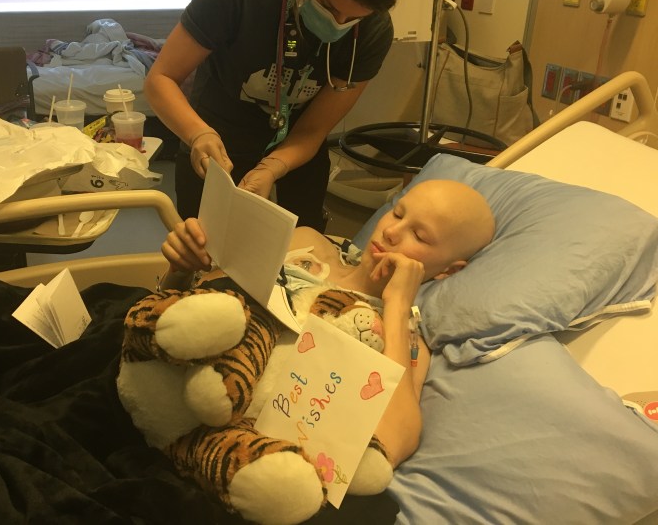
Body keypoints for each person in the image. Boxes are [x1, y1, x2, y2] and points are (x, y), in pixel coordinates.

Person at [159, 179, 496, 469]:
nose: (391, 232)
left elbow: (392, 444)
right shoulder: (305, 243)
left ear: (449, 270)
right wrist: (182, 268)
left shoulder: (403, 339)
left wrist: (397, 306)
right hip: (167, 376)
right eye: (397, 213)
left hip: (228, 448)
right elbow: (184, 304)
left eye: (419, 236)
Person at [144, 0, 410, 231]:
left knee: (303, 254)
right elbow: (161, 78)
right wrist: (198, 134)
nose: (338, 23)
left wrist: (272, 166)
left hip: (298, 155)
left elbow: (313, 130)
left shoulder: (374, 30)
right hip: (213, 150)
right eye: (329, 5)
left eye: (354, 17)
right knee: (204, 253)